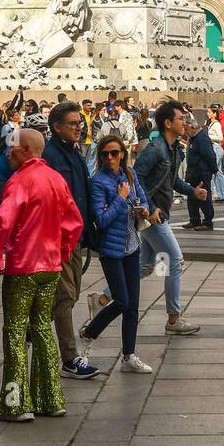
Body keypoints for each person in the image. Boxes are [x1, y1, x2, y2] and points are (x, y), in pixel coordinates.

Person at [0, 127, 83, 420]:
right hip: (50, 265)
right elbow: (73, 222)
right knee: (42, 329)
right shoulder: (55, 179)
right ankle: (50, 398)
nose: (7, 152)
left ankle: (16, 403)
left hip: (23, 266)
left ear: (26, 150)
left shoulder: (20, 181)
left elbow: (3, 221)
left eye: (11, 147)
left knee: (15, 332)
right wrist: (63, 251)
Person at [78, 134, 152, 372]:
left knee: (133, 306)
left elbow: (142, 198)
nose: (110, 158)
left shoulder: (129, 174)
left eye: (114, 153)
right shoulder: (98, 182)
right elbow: (101, 219)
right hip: (111, 249)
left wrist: (145, 210)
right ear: (100, 156)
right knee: (121, 301)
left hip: (132, 245)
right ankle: (88, 333)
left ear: (122, 153)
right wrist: (120, 199)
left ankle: (129, 355)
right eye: (105, 154)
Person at [135, 100, 207, 335]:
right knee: (174, 262)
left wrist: (192, 191)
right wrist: (151, 206)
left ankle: (104, 298)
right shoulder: (156, 148)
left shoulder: (174, 148)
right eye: (180, 119)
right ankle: (174, 319)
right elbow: (136, 177)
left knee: (145, 266)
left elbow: (171, 180)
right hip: (154, 215)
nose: (185, 123)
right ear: (167, 123)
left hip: (158, 213)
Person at [43, 101, 100, 378]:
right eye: (73, 124)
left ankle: (36, 328)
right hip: (58, 236)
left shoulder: (75, 154)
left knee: (72, 292)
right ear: (57, 127)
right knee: (65, 296)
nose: (79, 128)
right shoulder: (50, 155)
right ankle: (69, 357)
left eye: (80, 123)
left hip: (75, 235)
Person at [182, 112, 217, 230]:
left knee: (204, 196)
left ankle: (207, 222)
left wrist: (214, 170)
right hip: (194, 171)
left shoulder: (201, 137)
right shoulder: (193, 137)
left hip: (202, 172)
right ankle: (194, 219)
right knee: (192, 196)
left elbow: (209, 155)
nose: (185, 132)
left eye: (186, 129)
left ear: (192, 127)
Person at [206, 104, 224, 202]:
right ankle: (223, 195)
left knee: (212, 170)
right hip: (215, 148)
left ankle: (210, 193)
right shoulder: (212, 123)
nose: (207, 113)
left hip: (216, 148)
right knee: (218, 172)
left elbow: (220, 138)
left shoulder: (216, 124)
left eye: (209, 112)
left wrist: (209, 138)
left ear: (214, 114)